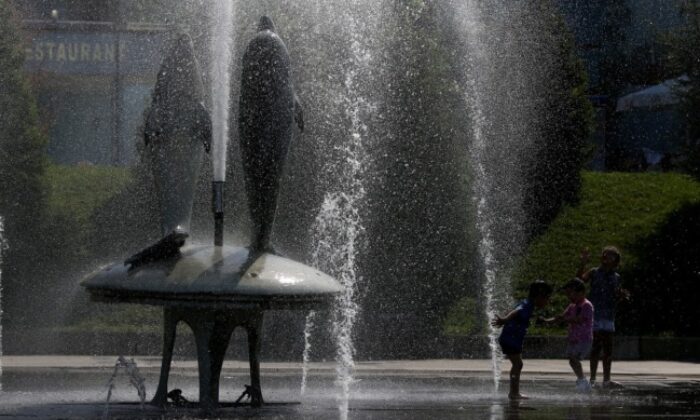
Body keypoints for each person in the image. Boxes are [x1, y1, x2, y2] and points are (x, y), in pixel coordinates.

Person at [577, 246, 630, 388]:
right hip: (594, 315)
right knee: (595, 348)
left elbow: (614, 296)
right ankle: (593, 380)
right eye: (605, 254)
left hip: (609, 316)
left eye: (610, 255)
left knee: (608, 349)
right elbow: (579, 282)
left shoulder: (616, 277)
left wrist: (621, 296)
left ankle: (606, 380)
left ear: (615, 261)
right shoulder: (594, 272)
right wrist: (583, 263)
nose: (606, 256)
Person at [492, 280, 553, 400]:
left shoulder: (527, 303)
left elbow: (514, 311)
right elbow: (516, 311)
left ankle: (514, 392)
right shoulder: (526, 305)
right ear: (538, 297)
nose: (547, 301)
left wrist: (506, 318)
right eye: (546, 298)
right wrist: (504, 320)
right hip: (510, 338)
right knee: (518, 364)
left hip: (512, 338)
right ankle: (514, 393)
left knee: (518, 364)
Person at [542, 278, 594, 392]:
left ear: (581, 293)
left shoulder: (586, 305)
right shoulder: (572, 306)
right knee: (572, 360)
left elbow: (579, 319)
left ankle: (583, 380)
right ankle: (582, 380)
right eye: (567, 295)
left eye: (571, 294)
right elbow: (561, 317)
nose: (569, 297)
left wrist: (564, 319)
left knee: (574, 358)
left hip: (584, 339)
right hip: (574, 339)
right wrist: (548, 321)